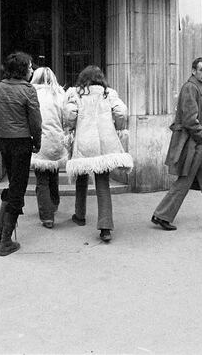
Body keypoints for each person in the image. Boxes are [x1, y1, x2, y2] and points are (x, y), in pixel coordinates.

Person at [151, 57, 202, 231]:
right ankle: (161, 215)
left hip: (197, 144)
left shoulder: (199, 88)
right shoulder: (190, 88)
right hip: (192, 143)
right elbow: (190, 120)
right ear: (193, 71)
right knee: (185, 180)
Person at [65, 65, 132, 243]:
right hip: (104, 142)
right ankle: (105, 227)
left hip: (85, 141)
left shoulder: (77, 93)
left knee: (81, 175)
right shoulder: (108, 93)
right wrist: (118, 127)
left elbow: (70, 114)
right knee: (102, 183)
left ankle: (80, 215)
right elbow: (121, 111)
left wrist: (72, 128)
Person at [0, 52, 42, 256]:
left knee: (13, 185)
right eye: (30, 67)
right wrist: (37, 141)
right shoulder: (28, 90)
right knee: (18, 189)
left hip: (4, 143)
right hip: (22, 143)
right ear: (21, 70)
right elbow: (35, 120)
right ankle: (6, 240)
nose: (32, 70)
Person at [29, 67, 67, 229]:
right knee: (54, 175)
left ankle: (47, 216)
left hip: (39, 141)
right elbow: (66, 118)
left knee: (41, 180)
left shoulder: (31, 93)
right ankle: (54, 202)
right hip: (57, 140)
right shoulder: (60, 94)